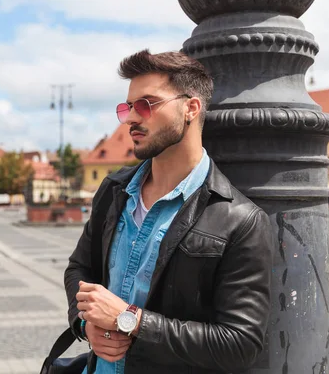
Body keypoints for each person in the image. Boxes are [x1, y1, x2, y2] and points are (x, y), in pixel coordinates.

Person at [65, 50, 273, 373]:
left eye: (147, 105)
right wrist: (84, 325)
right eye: (129, 107)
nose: (132, 119)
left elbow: (240, 344)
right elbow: (79, 269)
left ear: (191, 108)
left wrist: (132, 320)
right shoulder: (114, 191)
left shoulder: (241, 221)